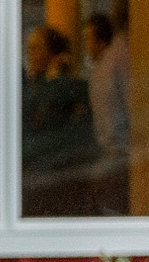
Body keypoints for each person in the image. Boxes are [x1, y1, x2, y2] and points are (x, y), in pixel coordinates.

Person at [21, 25, 96, 217]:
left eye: (36, 48)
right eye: (29, 48)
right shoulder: (30, 86)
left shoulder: (72, 87)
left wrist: (57, 78)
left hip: (63, 172)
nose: (30, 54)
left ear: (52, 53)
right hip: (34, 173)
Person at [84, 11, 131, 215]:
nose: (86, 46)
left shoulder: (113, 64)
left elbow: (129, 103)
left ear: (101, 40)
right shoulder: (100, 68)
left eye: (88, 39)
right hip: (112, 148)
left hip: (120, 149)